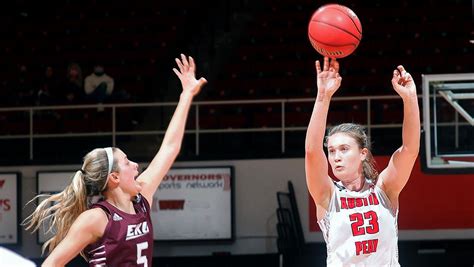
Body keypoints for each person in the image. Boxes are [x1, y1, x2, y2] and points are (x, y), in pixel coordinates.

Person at [24, 54, 207, 266]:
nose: (136, 165)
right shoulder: (97, 218)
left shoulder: (142, 200)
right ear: (114, 177)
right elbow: (51, 264)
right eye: (127, 162)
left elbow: (169, 148)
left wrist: (187, 94)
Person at [305, 57, 420, 266]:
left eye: (344, 149)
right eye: (331, 151)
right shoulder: (328, 195)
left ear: (363, 153)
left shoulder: (384, 189)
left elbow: (410, 150)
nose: (336, 156)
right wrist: (323, 96)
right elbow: (312, 152)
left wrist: (410, 98)